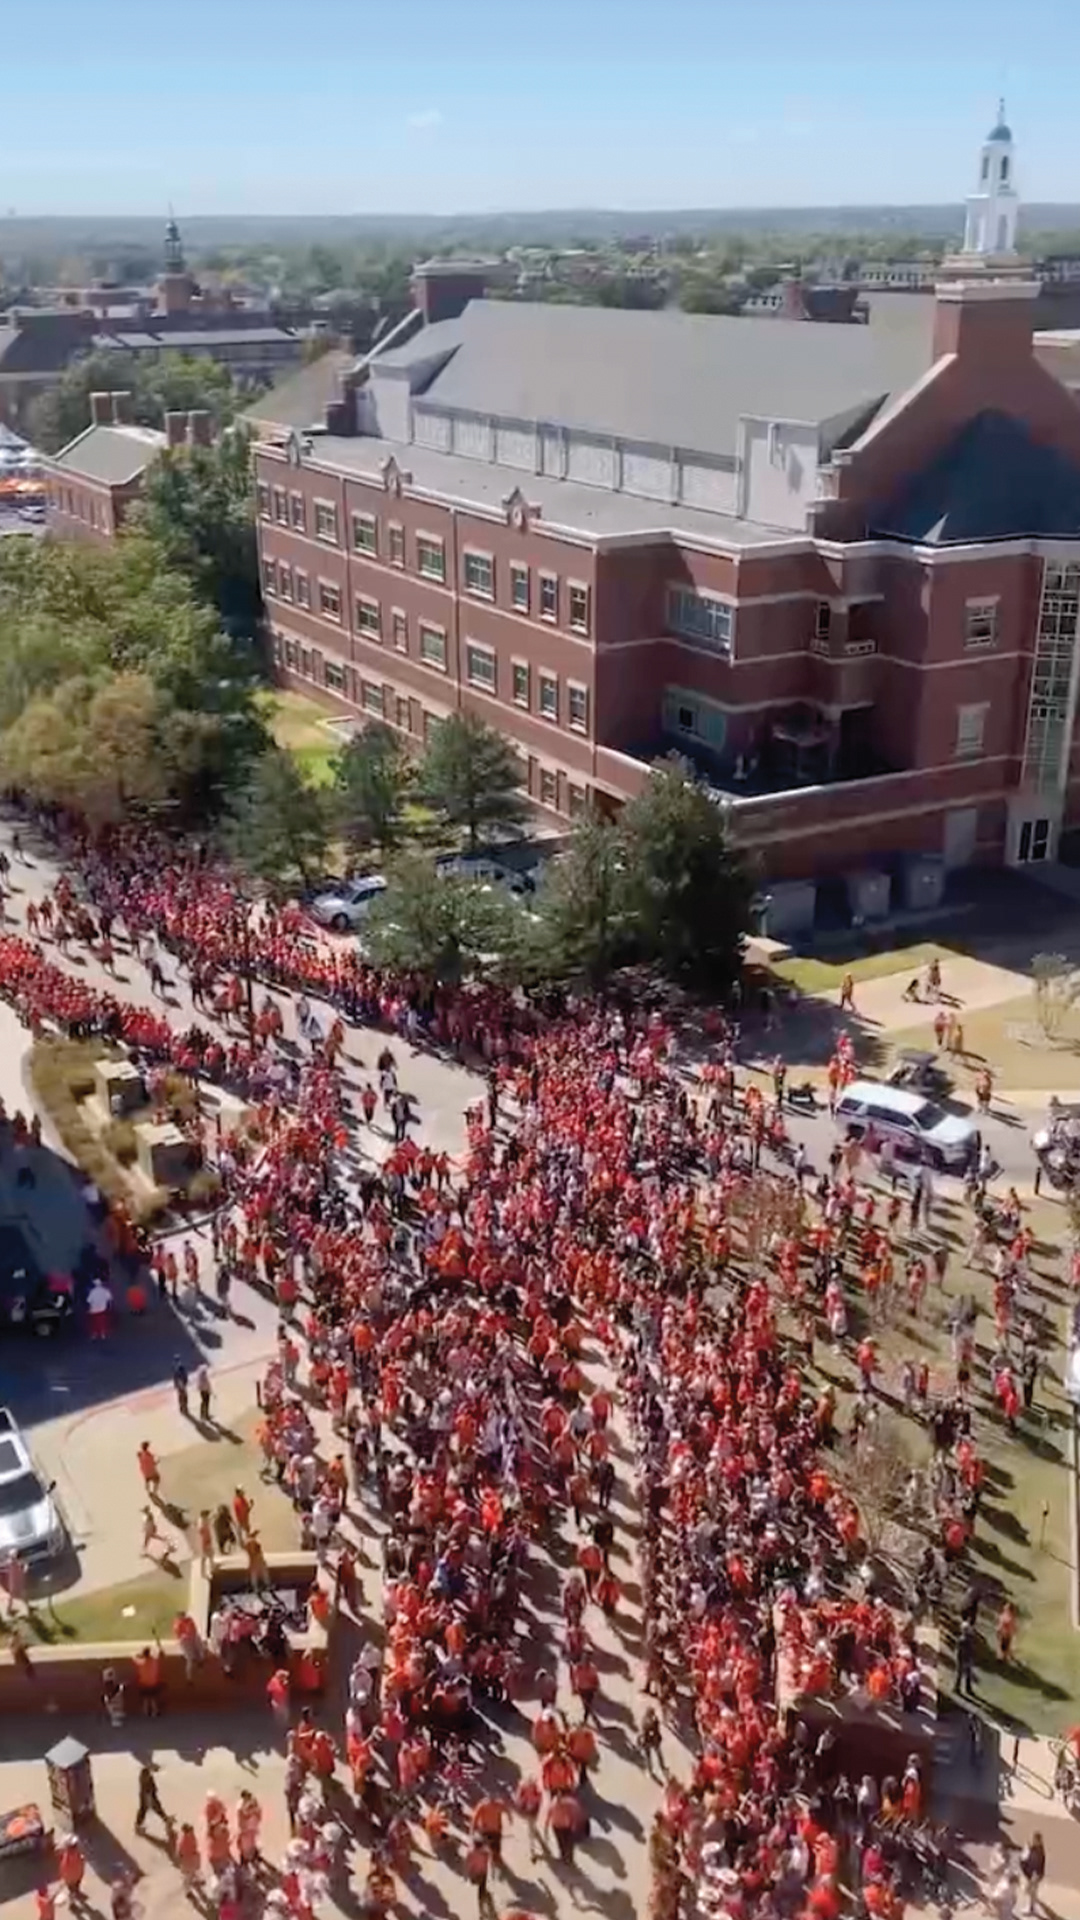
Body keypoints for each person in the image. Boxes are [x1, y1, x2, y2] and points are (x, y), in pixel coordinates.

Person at [134, 1758, 168, 1832]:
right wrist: (149, 1797)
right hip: (147, 1795)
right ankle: (166, 1820)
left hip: (148, 1794)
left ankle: (166, 1820)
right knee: (147, 1809)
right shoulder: (145, 1774)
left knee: (152, 1808)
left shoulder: (147, 1773)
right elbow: (146, 1787)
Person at [1020, 1833, 1046, 1913]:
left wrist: (1035, 1875)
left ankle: (1031, 1908)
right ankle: (1034, 1900)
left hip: (1035, 1875)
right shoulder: (1034, 1848)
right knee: (1029, 1890)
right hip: (1031, 1873)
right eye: (1033, 1839)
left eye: (1035, 1840)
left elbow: (1038, 1864)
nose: (1033, 1841)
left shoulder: (1039, 1851)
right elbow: (1026, 1857)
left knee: (1030, 1890)